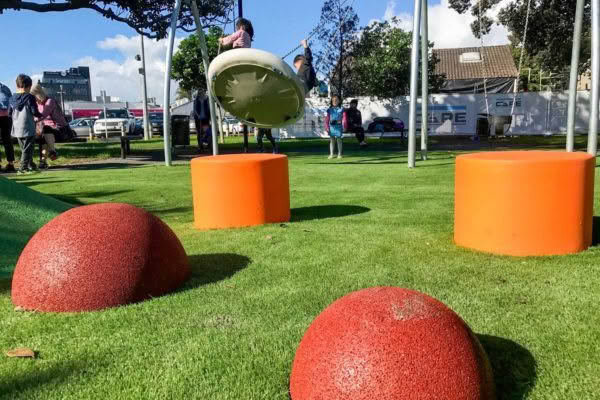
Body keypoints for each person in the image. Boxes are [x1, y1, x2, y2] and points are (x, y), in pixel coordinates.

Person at [219, 18, 254, 152]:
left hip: (238, 53)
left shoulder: (241, 33)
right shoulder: (248, 37)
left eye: (238, 26)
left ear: (241, 26)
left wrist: (222, 41)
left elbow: (231, 38)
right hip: (243, 55)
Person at [9, 74, 43, 175]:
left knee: (25, 149)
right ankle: (22, 169)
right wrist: (40, 115)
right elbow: (34, 111)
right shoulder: (30, 97)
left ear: (17, 85)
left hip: (17, 128)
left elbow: (9, 113)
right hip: (28, 126)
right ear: (29, 87)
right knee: (28, 149)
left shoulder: (11, 99)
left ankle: (31, 165)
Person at [30, 84, 64, 168]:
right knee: (43, 135)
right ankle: (44, 160)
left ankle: (51, 153)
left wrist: (31, 120)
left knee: (45, 131)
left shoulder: (50, 102)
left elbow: (42, 116)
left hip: (59, 128)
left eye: (33, 96)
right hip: (45, 129)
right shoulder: (37, 104)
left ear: (37, 94)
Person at [0, 81, 16, 172]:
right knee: (7, 141)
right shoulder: (5, 88)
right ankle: (10, 164)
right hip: (7, 117)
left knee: (7, 141)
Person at [325, 95, 347, 159]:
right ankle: (331, 154)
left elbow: (344, 119)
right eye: (333, 100)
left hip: (339, 127)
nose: (335, 101)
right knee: (332, 140)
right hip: (331, 127)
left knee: (339, 140)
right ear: (331, 101)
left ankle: (339, 154)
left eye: (336, 100)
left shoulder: (342, 109)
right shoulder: (329, 109)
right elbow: (327, 119)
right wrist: (327, 127)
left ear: (339, 101)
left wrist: (344, 126)